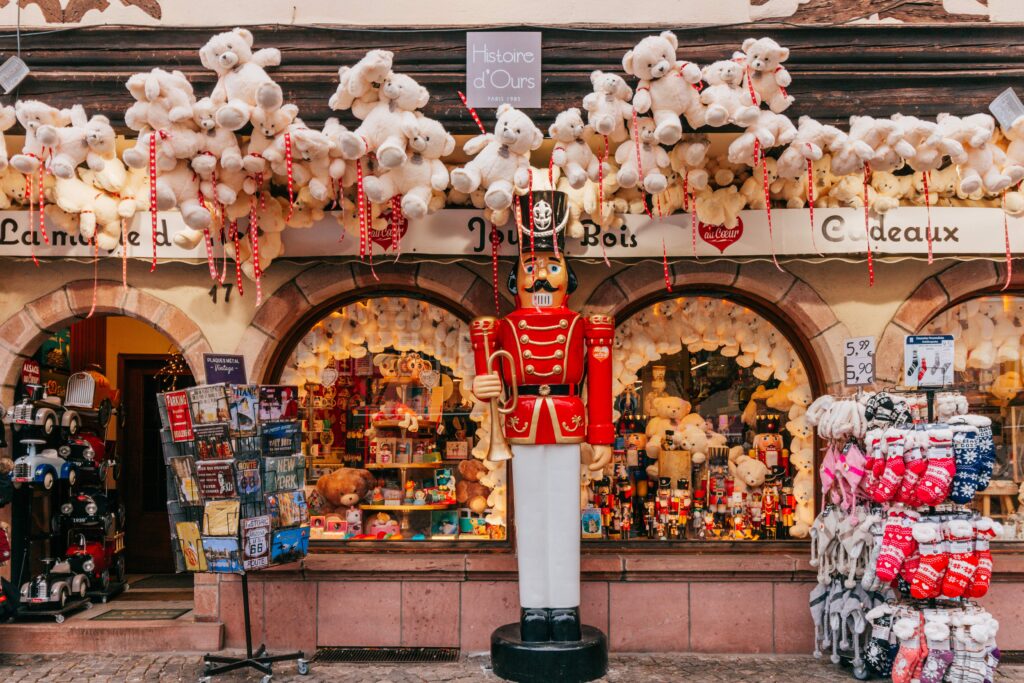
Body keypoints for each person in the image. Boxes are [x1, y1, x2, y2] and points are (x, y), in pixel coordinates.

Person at [471, 194, 613, 643]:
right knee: (529, 517)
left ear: (568, 276)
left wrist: (602, 436)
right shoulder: (501, 327)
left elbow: (602, 382)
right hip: (523, 421)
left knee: (564, 519)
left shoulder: (587, 325)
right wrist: (483, 385)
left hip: (569, 419)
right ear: (516, 279)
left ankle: (566, 607)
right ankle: (534, 606)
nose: (540, 275)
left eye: (551, 265)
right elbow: (487, 373)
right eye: (531, 266)